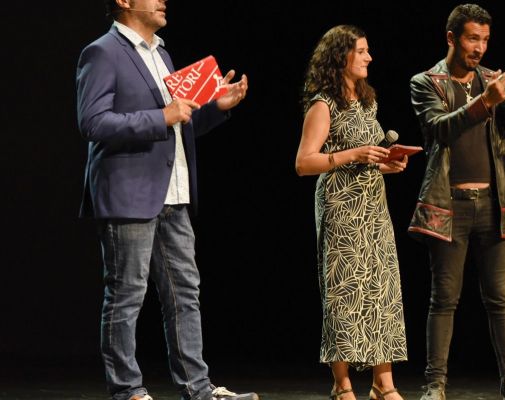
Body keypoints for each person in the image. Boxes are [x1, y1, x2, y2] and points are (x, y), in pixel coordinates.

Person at [76, 1, 255, 400]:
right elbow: (92, 122)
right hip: (129, 193)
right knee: (126, 295)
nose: (163, 1)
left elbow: (178, 123)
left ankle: (198, 388)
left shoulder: (163, 53)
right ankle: (128, 391)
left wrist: (215, 109)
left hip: (174, 192)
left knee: (185, 292)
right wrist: (162, 115)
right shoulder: (102, 52)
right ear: (123, 1)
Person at [408, 4, 505, 400]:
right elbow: (440, 129)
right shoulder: (427, 82)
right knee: (444, 299)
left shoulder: (492, 78)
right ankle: (435, 384)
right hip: (448, 204)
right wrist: (484, 102)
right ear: (451, 37)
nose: (480, 48)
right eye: (473, 38)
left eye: (486, 40)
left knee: (500, 300)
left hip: (493, 202)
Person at [295, 25, 409, 400]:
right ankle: (342, 384)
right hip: (341, 206)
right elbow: (304, 163)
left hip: (374, 207)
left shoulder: (367, 101)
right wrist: (353, 155)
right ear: (341, 56)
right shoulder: (322, 103)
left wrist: (385, 163)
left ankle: (383, 383)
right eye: (361, 51)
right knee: (344, 291)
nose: (368, 57)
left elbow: (368, 154)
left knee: (381, 289)